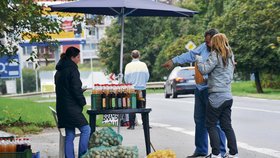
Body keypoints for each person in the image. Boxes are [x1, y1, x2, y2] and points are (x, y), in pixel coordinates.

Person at [162, 29, 226, 157]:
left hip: (212, 90)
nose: (207, 44)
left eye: (209, 42)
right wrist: (173, 61)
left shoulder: (223, 52)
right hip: (200, 88)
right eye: (206, 41)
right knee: (199, 119)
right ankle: (201, 150)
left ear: (216, 40)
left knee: (215, 122)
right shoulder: (203, 47)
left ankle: (220, 152)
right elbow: (190, 55)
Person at [196, 33, 238, 158]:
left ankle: (216, 154)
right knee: (226, 125)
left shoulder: (215, 54)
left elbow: (204, 70)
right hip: (227, 95)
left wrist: (198, 60)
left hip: (216, 96)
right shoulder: (231, 56)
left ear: (216, 43)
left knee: (211, 124)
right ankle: (234, 153)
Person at [55, 47, 91, 158]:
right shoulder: (72, 69)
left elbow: (66, 89)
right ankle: (82, 155)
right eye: (78, 57)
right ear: (72, 57)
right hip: (71, 108)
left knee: (70, 134)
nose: (79, 59)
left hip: (62, 107)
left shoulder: (59, 71)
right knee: (86, 129)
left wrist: (78, 91)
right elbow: (75, 89)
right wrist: (82, 102)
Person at [124, 50, 150, 130]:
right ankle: (145, 124)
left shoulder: (128, 66)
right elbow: (147, 77)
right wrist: (142, 82)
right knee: (143, 106)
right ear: (139, 56)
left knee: (132, 107)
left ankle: (132, 125)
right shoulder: (143, 65)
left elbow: (126, 79)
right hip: (142, 89)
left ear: (132, 56)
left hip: (132, 89)